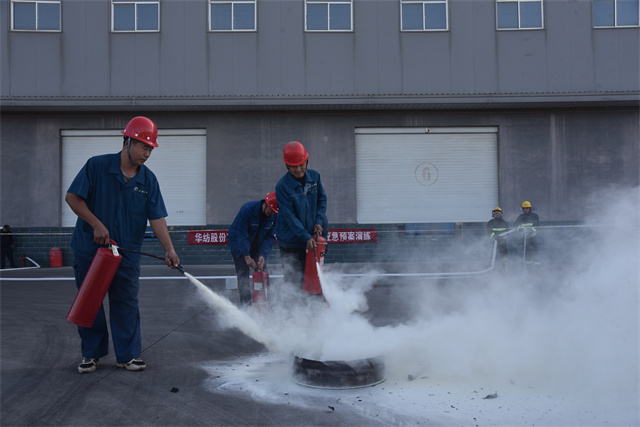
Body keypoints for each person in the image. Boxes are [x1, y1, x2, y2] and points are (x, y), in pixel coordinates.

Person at [65, 116, 180, 374]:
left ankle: (127, 355)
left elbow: (157, 217)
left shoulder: (148, 180)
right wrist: (96, 224)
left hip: (126, 253)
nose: (147, 154)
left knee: (126, 303)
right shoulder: (96, 166)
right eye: (143, 147)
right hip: (90, 250)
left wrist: (169, 249)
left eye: (150, 149)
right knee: (90, 301)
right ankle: (91, 354)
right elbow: (72, 197)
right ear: (127, 141)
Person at [275, 141, 328, 289]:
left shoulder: (315, 177)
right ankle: (294, 305)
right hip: (291, 242)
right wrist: (305, 236)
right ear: (287, 166)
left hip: (312, 239)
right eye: (293, 166)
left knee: (313, 280)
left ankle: (313, 304)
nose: (298, 169)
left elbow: (322, 200)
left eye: (301, 164)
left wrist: (319, 222)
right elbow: (289, 216)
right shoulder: (282, 186)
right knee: (294, 283)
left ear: (306, 161)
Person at [227, 192, 279, 306]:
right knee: (243, 274)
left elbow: (270, 237)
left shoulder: (275, 215)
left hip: (257, 245)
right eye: (270, 210)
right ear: (265, 204)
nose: (271, 214)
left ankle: (266, 303)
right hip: (238, 243)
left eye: (274, 212)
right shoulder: (248, 209)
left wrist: (263, 255)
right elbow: (242, 234)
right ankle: (246, 306)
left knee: (263, 272)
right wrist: (246, 256)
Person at [514, 201, 541, 269]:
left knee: (535, 252)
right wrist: (521, 230)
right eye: (524, 208)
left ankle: (537, 268)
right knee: (527, 254)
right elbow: (516, 226)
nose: (526, 210)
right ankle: (528, 269)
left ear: (530, 208)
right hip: (524, 238)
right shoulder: (520, 217)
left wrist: (531, 231)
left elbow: (536, 226)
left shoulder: (534, 216)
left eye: (527, 208)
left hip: (533, 237)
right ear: (522, 209)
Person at [486, 207, 509, 272]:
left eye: (498, 213)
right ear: (494, 214)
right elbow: (488, 232)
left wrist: (503, 237)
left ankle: (505, 269)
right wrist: (494, 236)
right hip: (493, 242)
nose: (497, 214)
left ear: (501, 214)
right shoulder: (490, 222)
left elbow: (507, 232)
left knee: (504, 256)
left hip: (503, 243)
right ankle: (492, 269)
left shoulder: (504, 223)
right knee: (493, 256)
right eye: (496, 213)